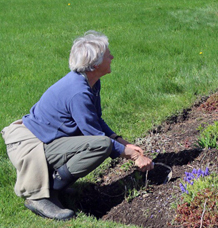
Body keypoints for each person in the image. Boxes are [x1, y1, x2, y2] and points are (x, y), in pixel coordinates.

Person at [1, 31, 154, 220]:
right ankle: (42, 195)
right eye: (108, 54)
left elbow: (95, 119)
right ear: (95, 64)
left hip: (46, 137)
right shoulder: (78, 92)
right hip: (31, 144)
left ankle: (55, 186)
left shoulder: (90, 82)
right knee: (101, 146)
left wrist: (121, 141)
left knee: (105, 143)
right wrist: (132, 155)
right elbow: (96, 135)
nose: (112, 57)